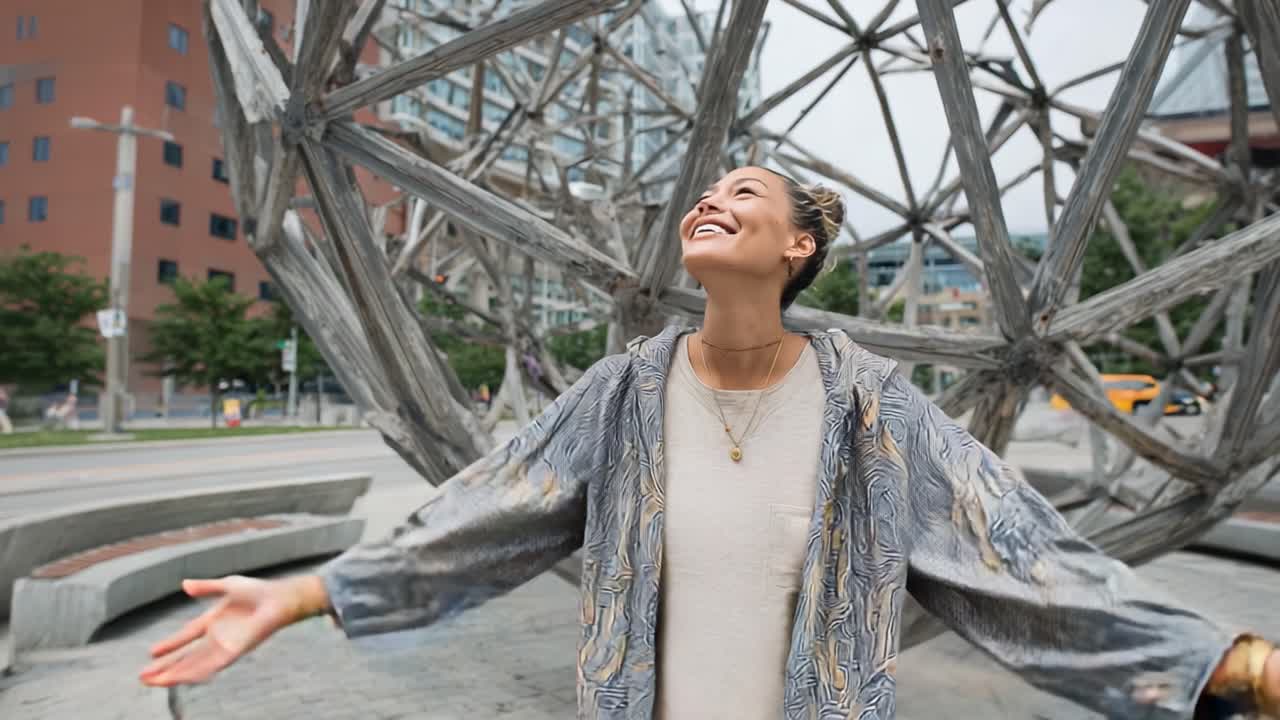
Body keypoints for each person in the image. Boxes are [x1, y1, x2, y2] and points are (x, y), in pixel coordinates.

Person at [139, 167, 1279, 719]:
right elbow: (484, 517)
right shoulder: (625, 394)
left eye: (741, 193)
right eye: (701, 194)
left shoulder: (873, 408)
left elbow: (1022, 563)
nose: (708, 202)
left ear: (796, 247)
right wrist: (295, 598)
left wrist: (1236, 668)